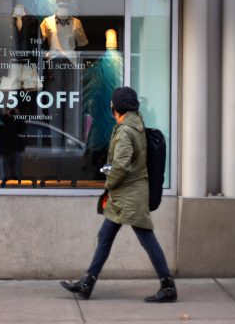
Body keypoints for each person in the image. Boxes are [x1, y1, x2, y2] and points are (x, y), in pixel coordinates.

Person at [60, 86, 177, 303]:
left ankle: (168, 286)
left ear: (117, 106)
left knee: (147, 238)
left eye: (112, 102)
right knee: (105, 236)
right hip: (126, 195)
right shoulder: (135, 124)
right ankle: (87, 283)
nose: (110, 105)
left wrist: (110, 181)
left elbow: (122, 165)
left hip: (129, 195)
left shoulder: (125, 131)